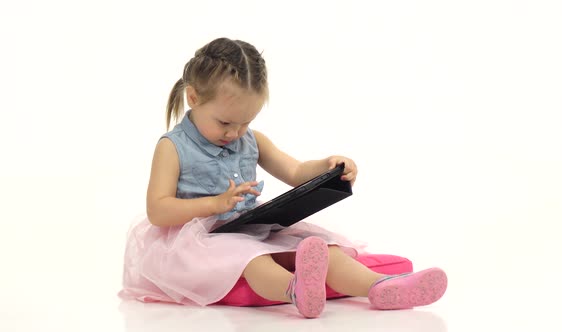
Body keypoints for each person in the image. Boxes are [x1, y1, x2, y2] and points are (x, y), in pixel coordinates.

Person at [119, 37, 447, 318]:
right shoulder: (173, 147)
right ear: (193, 98)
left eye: (244, 123)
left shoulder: (251, 141)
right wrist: (214, 204)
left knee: (322, 248)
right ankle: (296, 291)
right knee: (249, 258)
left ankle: (379, 287)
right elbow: (158, 210)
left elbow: (294, 171)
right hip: (200, 239)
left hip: (250, 225)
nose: (234, 133)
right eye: (224, 123)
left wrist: (328, 165)